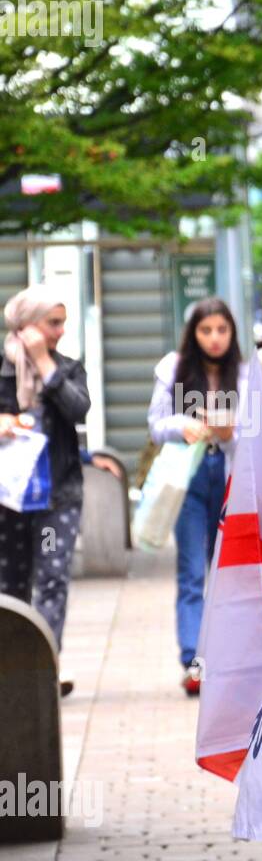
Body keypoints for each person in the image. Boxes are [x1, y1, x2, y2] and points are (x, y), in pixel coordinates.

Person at [147, 297, 244, 693]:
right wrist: (183, 425)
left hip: (230, 472)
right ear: (193, 334)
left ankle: (225, 658)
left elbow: (256, 425)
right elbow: (155, 423)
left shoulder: (245, 370)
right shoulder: (175, 367)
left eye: (222, 330)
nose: (215, 339)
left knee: (225, 569)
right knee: (191, 570)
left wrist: (230, 431)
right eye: (206, 331)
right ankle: (194, 661)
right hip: (188, 474)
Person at [0, 285, 91, 693]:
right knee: (12, 583)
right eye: (52, 323)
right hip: (10, 502)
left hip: (55, 500)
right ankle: (12, 668)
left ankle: (45, 667)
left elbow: (78, 408)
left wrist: (42, 361)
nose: (60, 332)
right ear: (26, 324)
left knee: (52, 575)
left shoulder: (67, 369)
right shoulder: (2, 371)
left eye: (62, 323)